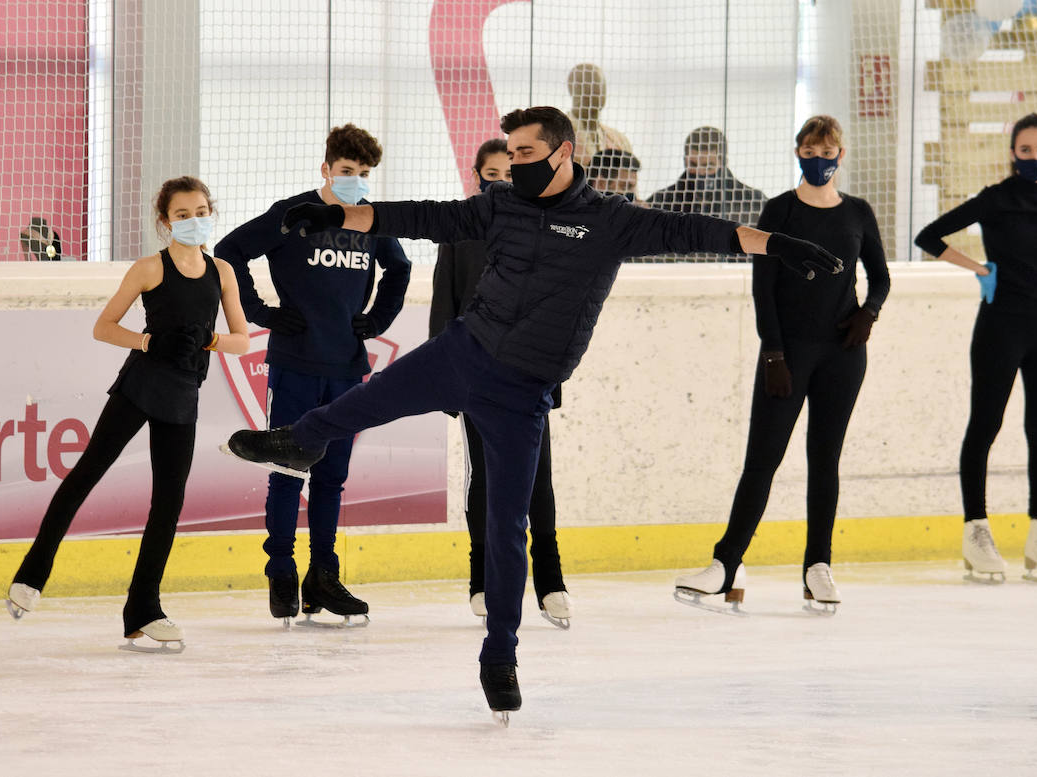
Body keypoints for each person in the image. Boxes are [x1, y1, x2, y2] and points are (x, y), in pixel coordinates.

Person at [221, 106, 843, 721]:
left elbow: (698, 231)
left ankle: (500, 658)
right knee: (359, 404)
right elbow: (423, 218)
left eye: (524, 153)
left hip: (522, 394)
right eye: (509, 153)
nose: (513, 164)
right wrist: (338, 214)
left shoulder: (612, 221)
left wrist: (776, 245)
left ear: (562, 153)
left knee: (505, 526)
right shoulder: (501, 204)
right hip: (465, 351)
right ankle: (298, 442)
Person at [6, 176, 252, 650]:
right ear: (165, 222)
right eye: (183, 214)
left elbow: (242, 340)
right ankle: (32, 574)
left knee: (169, 502)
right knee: (87, 473)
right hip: (140, 386)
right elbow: (103, 327)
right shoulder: (149, 268)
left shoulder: (222, 271)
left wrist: (211, 340)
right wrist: (147, 341)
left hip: (183, 394)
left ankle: (143, 608)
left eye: (201, 211)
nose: (194, 220)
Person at [674, 116, 890, 615]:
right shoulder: (779, 210)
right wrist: (773, 353)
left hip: (843, 353)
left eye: (827, 150)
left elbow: (879, 277)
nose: (819, 158)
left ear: (841, 154)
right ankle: (726, 564)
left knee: (825, 460)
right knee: (763, 460)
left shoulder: (857, 212)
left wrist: (868, 315)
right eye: (810, 149)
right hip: (787, 352)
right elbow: (763, 288)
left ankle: (818, 566)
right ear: (798, 152)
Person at [214, 124, 411, 627]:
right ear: (326, 170)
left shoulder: (369, 221)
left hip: (346, 367)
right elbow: (230, 251)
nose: (356, 181)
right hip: (296, 362)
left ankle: (323, 575)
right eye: (347, 172)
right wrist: (263, 312)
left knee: (332, 478)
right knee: (287, 470)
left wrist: (377, 321)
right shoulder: (291, 214)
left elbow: (400, 268)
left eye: (365, 174)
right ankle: (281, 571)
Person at [914, 113, 1037, 584]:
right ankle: (976, 530)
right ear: (1012, 154)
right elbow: (928, 236)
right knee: (986, 425)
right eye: (1026, 150)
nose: (1035, 158)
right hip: (1000, 325)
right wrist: (978, 268)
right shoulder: (995, 199)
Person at [429, 137, 571, 628]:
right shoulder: (459, 232)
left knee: (538, 479)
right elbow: (444, 304)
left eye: (511, 174)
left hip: (531, 374)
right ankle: (482, 579)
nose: (503, 183)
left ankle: (550, 581)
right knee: (486, 478)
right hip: (477, 374)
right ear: (477, 178)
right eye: (493, 175)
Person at [648, 126, 765, 225]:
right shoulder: (661, 201)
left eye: (708, 166)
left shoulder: (752, 201)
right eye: (693, 164)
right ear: (685, 161)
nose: (700, 173)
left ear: (723, 163)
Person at [566, 63, 633, 168]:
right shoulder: (557, 138)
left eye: (599, 85)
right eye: (584, 85)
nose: (593, 91)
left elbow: (630, 180)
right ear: (572, 89)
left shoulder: (620, 141)